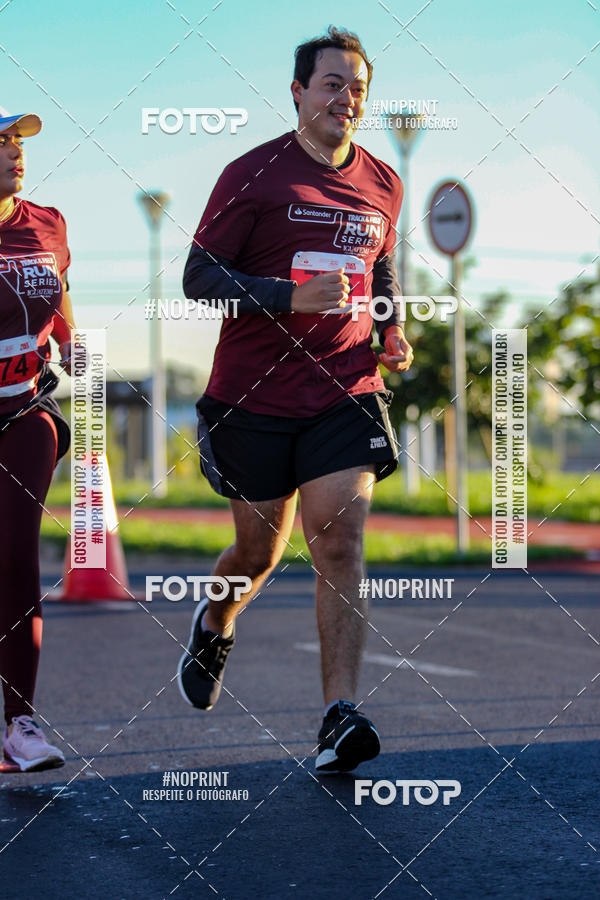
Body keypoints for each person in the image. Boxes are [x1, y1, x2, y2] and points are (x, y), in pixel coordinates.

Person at [178, 27, 414, 773]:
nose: (347, 98)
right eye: (332, 84)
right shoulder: (254, 175)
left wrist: (393, 327)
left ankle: (337, 716)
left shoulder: (382, 181)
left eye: (358, 88)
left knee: (337, 541)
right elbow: (198, 277)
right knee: (260, 551)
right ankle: (216, 619)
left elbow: (382, 269)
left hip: (345, 387)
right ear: (298, 91)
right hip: (254, 395)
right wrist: (289, 295)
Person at [0, 107, 76, 771]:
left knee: (17, 559)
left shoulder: (47, 223)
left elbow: (60, 287)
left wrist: (70, 340)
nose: (14, 153)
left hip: (27, 411)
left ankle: (19, 723)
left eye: (17, 141)